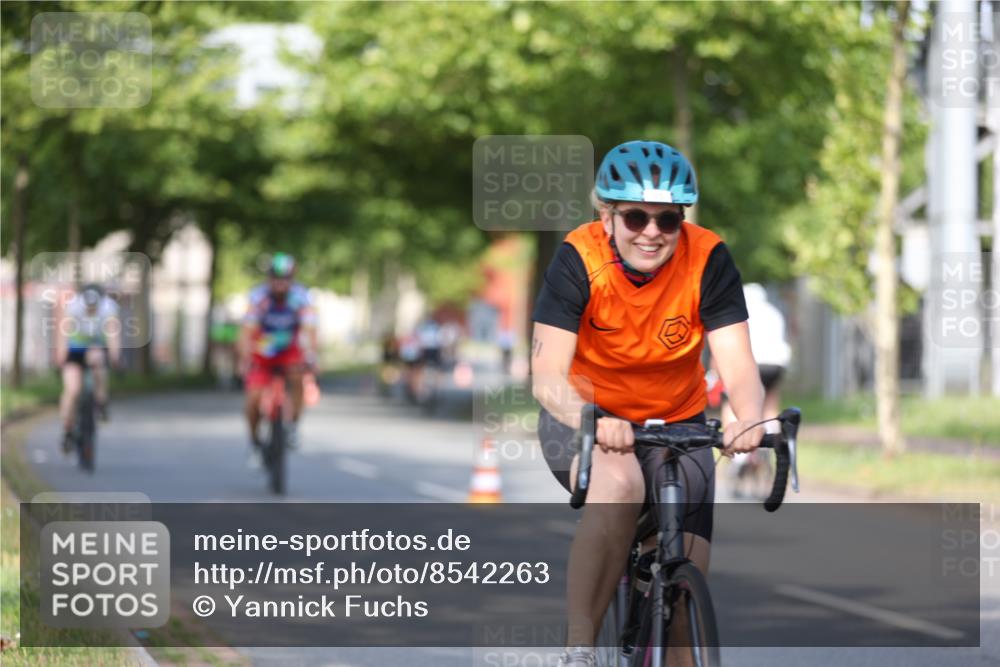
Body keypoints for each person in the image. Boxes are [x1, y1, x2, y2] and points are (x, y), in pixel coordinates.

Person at [530, 140, 765, 666]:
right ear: (606, 216)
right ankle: (579, 647)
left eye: (668, 219)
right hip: (584, 414)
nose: (652, 232)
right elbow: (546, 375)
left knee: (684, 583)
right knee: (619, 484)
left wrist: (746, 416)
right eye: (636, 217)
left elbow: (739, 363)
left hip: (677, 422)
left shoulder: (707, 257)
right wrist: (593, 419)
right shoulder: (578, 257)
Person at [239, 253, 317, 454]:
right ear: (269, 278)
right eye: (276, 278)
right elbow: (246, 333)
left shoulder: (301, 297)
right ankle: (255, 441)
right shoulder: (258, 298)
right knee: (253, 400)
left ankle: (293, 426)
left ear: (292, 279)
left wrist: (312, 356)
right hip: (262, 353)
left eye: (286, 278)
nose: (280, 283)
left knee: (298, 378)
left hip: (289, 351)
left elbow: (310, 331)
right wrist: (244, 357)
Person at [722, 283, 792, 491]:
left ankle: (737, 458)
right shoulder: (774, 312)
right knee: (770, 402)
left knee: (731, 402)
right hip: (775, 365)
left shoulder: (740, 312)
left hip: (752, 362)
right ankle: (771, 440)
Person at [57, 283, 122, 453]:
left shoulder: (108, 308)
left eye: (94, 308)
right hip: (75, 350)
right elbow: (63, 334)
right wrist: (61, 356)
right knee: (73, 390)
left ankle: (101, 402)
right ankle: (67, 429)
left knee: (98, 360)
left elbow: (113, 334)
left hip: (95, 347)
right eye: (88, 308)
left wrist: (115, 356)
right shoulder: (73, 307)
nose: (91, 311)